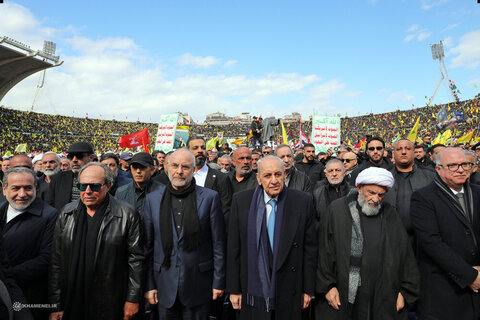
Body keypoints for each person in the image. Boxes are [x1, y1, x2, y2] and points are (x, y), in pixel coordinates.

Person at [316, 167, 420, 319]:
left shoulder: (390, 213)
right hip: (344, 293)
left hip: (384, 295)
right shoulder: (337, 210)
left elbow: (405, 255)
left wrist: (405, 292)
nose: (376, 199)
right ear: (359, 188)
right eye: (371, 193)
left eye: (381, 195)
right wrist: (328, 287)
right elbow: (324, 251)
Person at [48, 162, 145, 320]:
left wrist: (132, 299)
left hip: (110, 300)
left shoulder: (127, 214)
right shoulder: (67, 213)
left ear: (108, 185)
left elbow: (136, 261)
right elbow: (56, 262)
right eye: (82, 186)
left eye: (94, 186)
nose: (87, 191)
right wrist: (55, 304)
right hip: (72, 298)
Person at [226, 155, 317, 320]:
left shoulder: (303, 201)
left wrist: (307, 290)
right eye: (268, 175)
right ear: (259, 178)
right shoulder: (241, 201)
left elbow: (310, 250)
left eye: (278, 174)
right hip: (252, 290)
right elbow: (234, 248)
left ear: (284, 175)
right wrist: (234, 289)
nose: (274, 180)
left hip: (291, 288)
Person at [143, 149, 226, 319]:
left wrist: (218, 282)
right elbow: (147, 247)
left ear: (193, 169)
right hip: (164, 285)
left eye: (185, 167)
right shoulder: (152, 200)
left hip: (199, 285)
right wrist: (149, 285)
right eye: (174, 166)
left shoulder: (210, 198)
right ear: (167, 167)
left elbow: (218, 244)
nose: (179, 171)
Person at [411, 148, 480, 319]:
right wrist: (470, 275)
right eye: (452, 166)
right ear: (438, 169)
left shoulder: (477, 192)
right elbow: (432, 243)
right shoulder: (423, 198)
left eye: (465, 164)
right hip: (445, 289)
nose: (460, 169)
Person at [1, 167, 58, 319]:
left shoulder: (50, 215)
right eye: (15, 188)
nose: (22, 194)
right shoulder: (1, 209)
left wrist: (6, 277)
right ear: (4, 189)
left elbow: (47, 258)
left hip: (29, 297)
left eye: (28, 188)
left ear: (35, 188)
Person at [383, 139, 434, 245]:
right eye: (399, 149)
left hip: (424, 240)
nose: (403, 152)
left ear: (414, 152)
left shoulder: (430, 176)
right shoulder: (383, 177)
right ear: (393, 154)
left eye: (408, 148)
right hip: (391, 239)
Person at [188, 137, 233, 220]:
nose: (200, 151)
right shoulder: (181, 177)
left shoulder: (221, 178)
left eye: (203, 148)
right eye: (195, 148)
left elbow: (226, 211)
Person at [45, 142, 94, 210]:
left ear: (91, 158)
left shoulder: (101, 178)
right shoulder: (58, 178)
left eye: (79, 156)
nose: (74, 160)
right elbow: (49, 206)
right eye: (70, 156)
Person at [116, 152, 164, 218]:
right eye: (135, 168)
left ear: (152, 170)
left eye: (142, 167)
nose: (138, 171)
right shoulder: (121, 192)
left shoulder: (162, 192)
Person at [313, 159, 353, 225]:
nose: (334, 174)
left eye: (338, 170)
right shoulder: (317, 194)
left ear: (345, 172)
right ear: (326, 174)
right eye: (331, 171)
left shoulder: (353, 192)